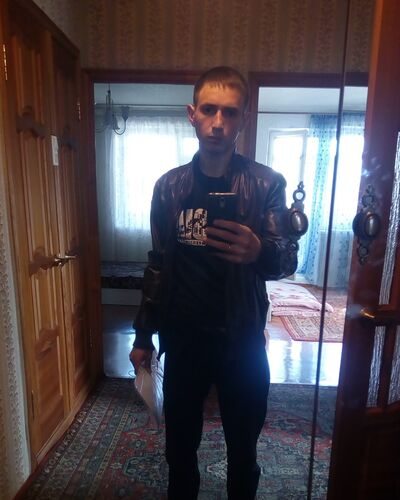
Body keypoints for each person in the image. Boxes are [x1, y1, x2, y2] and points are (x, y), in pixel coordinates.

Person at [129, 66, 298, 500]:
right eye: (208, 110)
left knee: (244, 450)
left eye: (229, 112)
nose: (218, 122)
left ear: (243, 118)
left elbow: (287, 259)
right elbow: (157, 265)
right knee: (179, 451)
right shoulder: (168, 188)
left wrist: (260, 251)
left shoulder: (267, 183)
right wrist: (143, 336)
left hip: (242, 340)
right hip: (184, 339)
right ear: (192, 114)